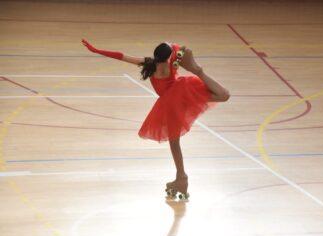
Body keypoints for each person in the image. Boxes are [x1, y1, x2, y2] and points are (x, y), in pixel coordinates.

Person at [82, 39, 230, 199]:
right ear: (167, 57)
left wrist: (96, 50)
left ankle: (182, 177)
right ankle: (181, 178)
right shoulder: (172, 63)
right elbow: (183, 49)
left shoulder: (150, 64)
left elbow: (122, 56)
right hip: (181, 95)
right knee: (222, 96)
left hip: (174, 101)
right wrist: (186, 61)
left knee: (175, 143)